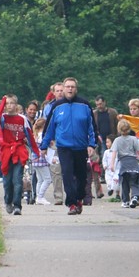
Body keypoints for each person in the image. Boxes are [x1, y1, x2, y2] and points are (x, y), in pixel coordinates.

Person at [40, 77, 96, 215]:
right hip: (64, 147)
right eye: (67, 86)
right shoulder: (57, 106)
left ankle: (79, 199)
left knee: (81, 176)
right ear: (63, 89)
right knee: (67, 174)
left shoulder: (84, 105)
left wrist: (92, 144)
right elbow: (49, 128)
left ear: (76, 89)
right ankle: (71, 203)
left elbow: (92, 127)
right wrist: (44, 146)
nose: (70, 89)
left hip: (81, 147)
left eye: (72, 87)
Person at [0, 94, 41, 215]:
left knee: (17, 180)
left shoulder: (22, 119)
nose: (9, 106)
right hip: (6, 152)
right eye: (7, 103)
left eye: (12, 103)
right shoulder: (3, 118)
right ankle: (8, 201)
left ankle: (17, 206)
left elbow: (29, 135)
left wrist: (36, 151)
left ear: (16, 105)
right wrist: (3, 101)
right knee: (7, 182)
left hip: (19, 151)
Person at [42, 82, 66, 204]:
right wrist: (46, 142)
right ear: (53, 93)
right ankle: (58, 197)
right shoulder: (48, 108)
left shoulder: (71, 105)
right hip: (55, 141)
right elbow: (45, 125)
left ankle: (72, 194)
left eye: (62, 90)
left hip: (69, 140)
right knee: (56, 169)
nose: (60, 93)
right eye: (58, 91)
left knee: (70, 169)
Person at [111, 119, 139, 208]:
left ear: (118, 129)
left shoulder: (117, 140)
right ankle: (135, 196)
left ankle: (126, 201)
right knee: (134, 182)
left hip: (123, 164)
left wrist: (112, 164)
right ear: (129, 128)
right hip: (134, 162)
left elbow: (114, 153)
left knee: (124, 183)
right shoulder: (134, 139)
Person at [31, 116, 53, 205]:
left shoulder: (35, 135)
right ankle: (40, 197)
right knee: (47, 179)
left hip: (35, 159)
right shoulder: (42, 136)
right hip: (41, 159)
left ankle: (38, 197)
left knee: (40, 179)